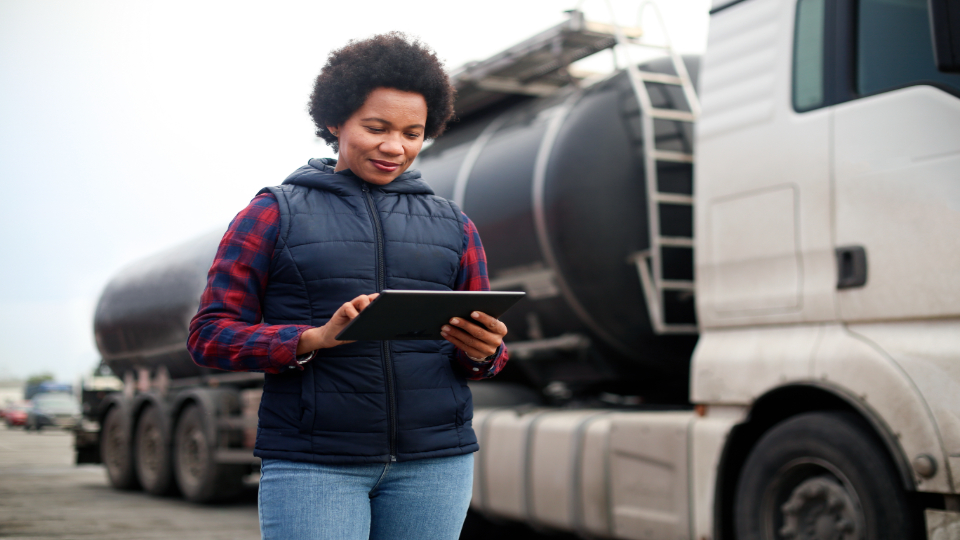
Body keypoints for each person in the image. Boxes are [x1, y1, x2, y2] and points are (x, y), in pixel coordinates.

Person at [187, 33, 509, 539]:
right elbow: (209, 336)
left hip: (435, 465)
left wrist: (485, 352)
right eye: (376, 127)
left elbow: (483, 353)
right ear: (336, 121)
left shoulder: (455, 225)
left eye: (411, 133)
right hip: (314, 464)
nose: (394, 147)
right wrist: (311, 339)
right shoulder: (272, 213)